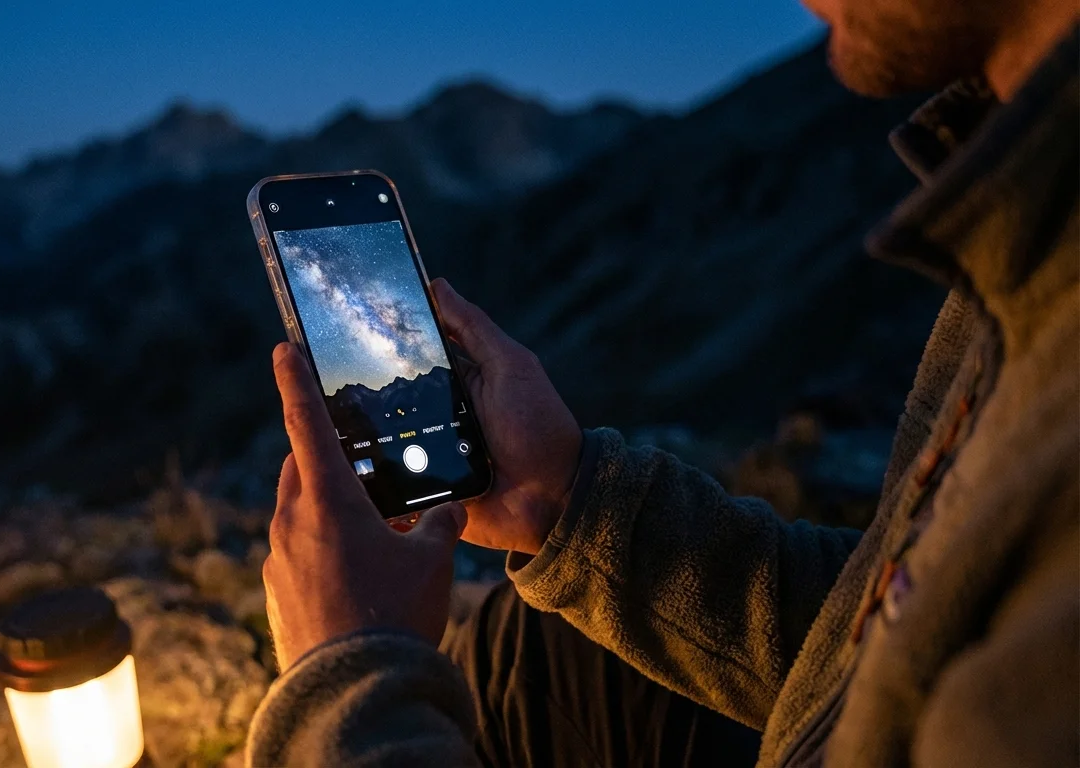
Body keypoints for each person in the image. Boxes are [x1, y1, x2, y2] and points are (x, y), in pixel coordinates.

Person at [247, 0, 1079, 763]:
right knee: (523, 647)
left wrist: (346, 685)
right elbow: (899, 611)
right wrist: (571, 502)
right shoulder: (1042, 212)